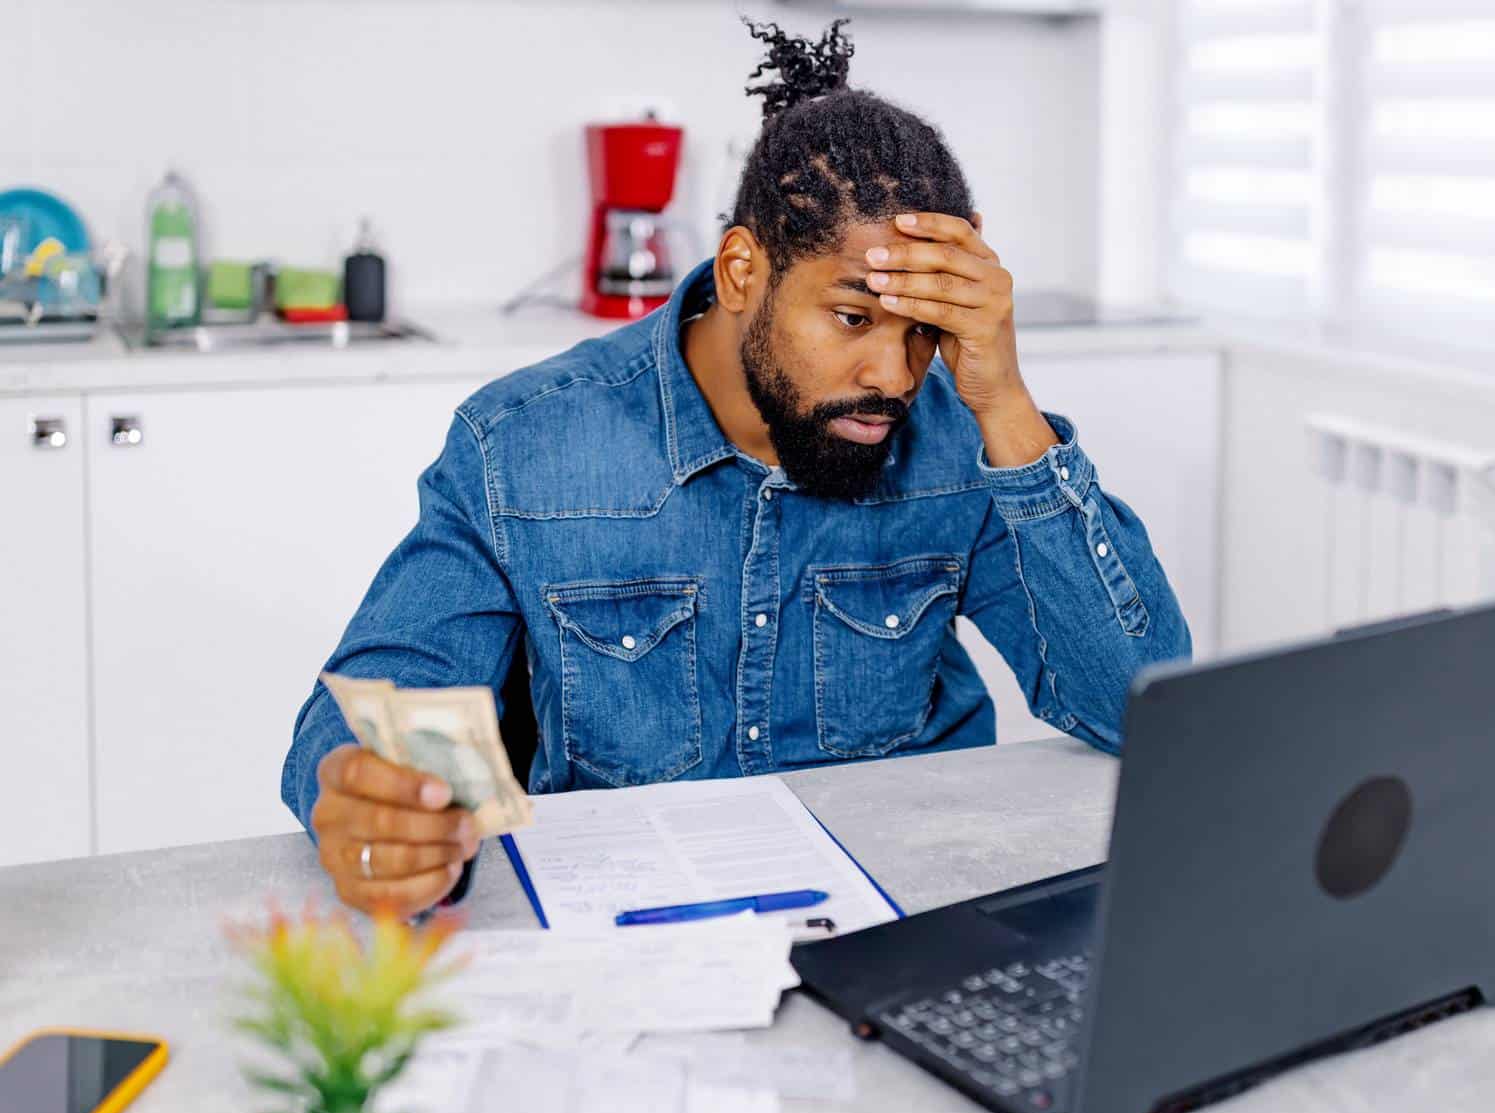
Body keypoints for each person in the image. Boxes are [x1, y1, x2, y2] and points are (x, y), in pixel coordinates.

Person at [280, 19, 1191, 916]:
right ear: (744, 269)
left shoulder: (964, 439)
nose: (893, 375)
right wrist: (367, 796)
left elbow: (1139, 711)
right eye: (852, 317)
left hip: (906, 924)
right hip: (634, 939)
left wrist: (1007, 406)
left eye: (924, 332)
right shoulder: (523, 444)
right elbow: (374, 702)